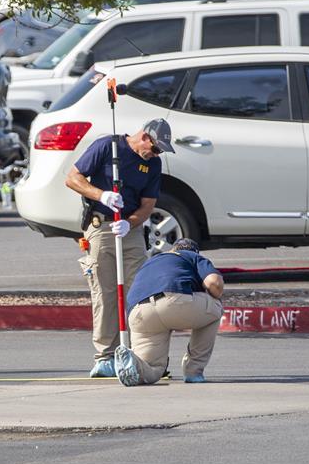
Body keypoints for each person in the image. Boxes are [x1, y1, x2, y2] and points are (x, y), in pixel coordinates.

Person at [65, 118, 175, 377]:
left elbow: (147, 205)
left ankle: (143, 353)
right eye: (156, 148)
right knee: (104, 294)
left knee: (140, 291)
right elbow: (72, 178)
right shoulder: (108, 147)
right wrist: (100, 194)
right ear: (145, 137)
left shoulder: (153, 164)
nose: (156, 154)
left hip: (129, 230)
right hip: (101, 225)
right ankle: (106, 356)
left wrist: (129, 223)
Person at [113, 238, 224, 386]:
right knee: (215, 308)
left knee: (154, 368)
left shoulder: (151, 261)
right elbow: (214, 283)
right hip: (172, 300)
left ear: (173, 249)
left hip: (138, 311)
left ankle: (134, 365)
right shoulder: (193, 257)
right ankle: (193, 371)